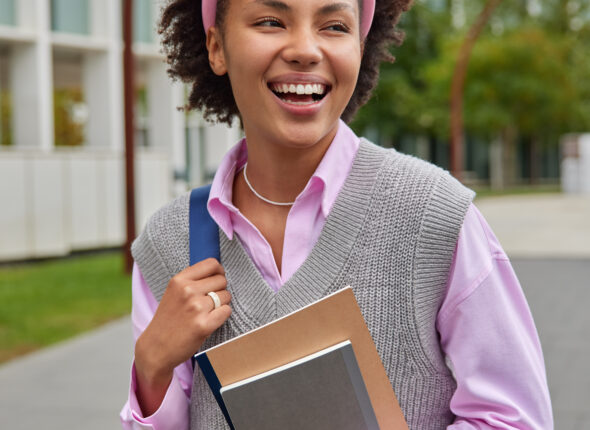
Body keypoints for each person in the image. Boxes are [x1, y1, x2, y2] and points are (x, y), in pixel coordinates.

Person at [120, 0, 553, 428]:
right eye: (272, 21)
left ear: (360, 47)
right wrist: (152, 368)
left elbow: (515, 419)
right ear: (217, 47)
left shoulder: (434, 216)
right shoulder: (169, 241)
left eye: (334, 26)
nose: (306, 49)